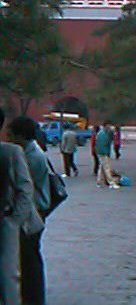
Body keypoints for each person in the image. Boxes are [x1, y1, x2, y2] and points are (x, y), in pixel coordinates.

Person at [0, 108, 43, 305]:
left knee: (9, 274)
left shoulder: (10, 152)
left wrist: (15, 221)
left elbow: (26, 189)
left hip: (6, 221)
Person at [8, 116, 50, 305]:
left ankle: (33, 298)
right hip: (36, 210)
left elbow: (23, 188)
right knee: (30, 258)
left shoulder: (30, 157)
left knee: (29, 259)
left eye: (11, 135)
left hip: (33, 212)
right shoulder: (33, 151)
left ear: (20, 135)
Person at [95, 121, 120, 189]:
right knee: (106, 167)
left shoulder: (103, 133)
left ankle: (99, 182)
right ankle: (111, 182)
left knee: (101, 167)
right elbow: (103, 144)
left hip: (101, 152)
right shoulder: (103, 134)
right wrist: (105, 153)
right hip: (103, 152)